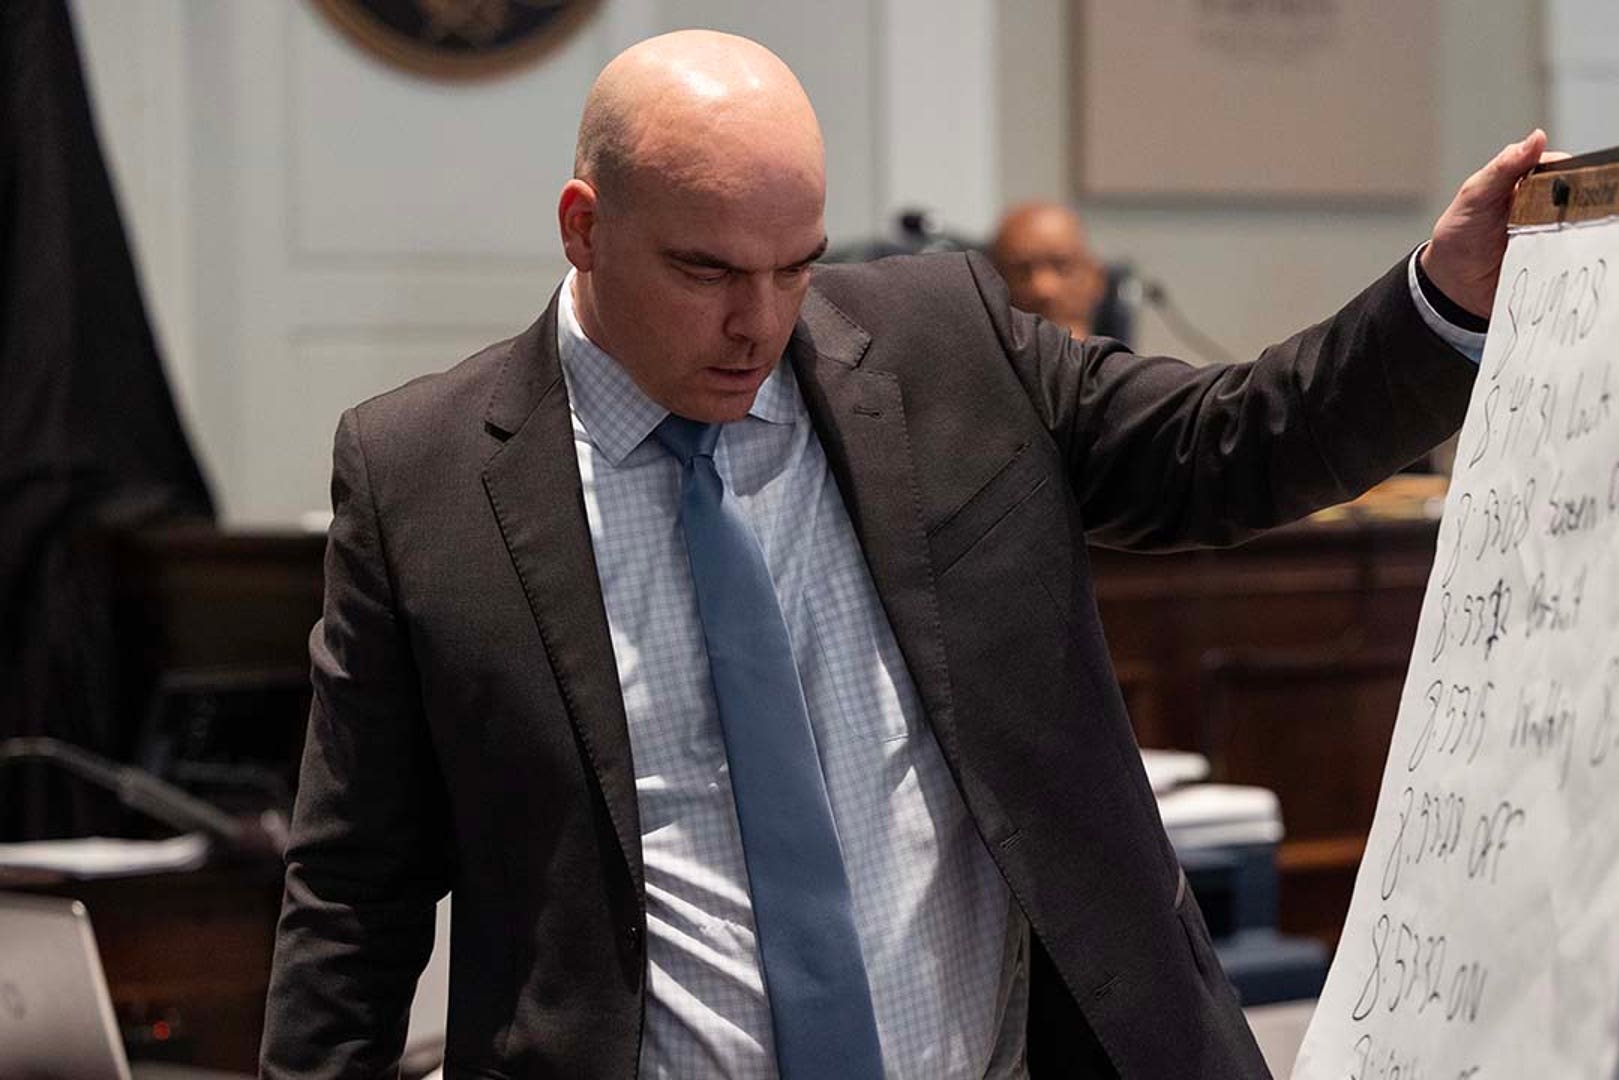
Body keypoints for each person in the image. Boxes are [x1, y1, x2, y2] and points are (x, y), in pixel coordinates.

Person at [261, 28, 1545, 1080]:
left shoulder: (946, 348)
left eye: (795, 269)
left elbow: (1231, 444)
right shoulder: (419, 474)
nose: (756, 323)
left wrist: (1439, 302)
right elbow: (352, 897)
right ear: (583, 226)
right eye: (705, 270)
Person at [989, 200, 1109, 340]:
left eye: (1062, 265)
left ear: (1097, 278)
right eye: (1021, 270)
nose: (1043, 289)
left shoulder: (1130, 360)